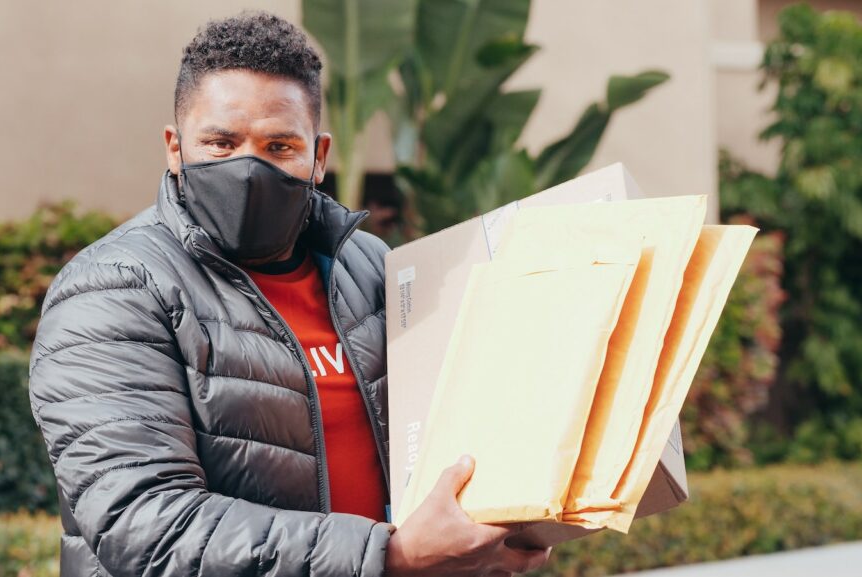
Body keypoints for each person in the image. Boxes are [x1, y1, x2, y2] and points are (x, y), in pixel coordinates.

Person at [28, 10, 551, 577]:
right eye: (221, 143)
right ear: (175, 148)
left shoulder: (372, 270)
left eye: (279, 147)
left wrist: (495, 534)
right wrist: (390, 556)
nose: (248, 170)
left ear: (319, 157)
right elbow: (146, 525)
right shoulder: (113, 289)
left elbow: (443, 440)